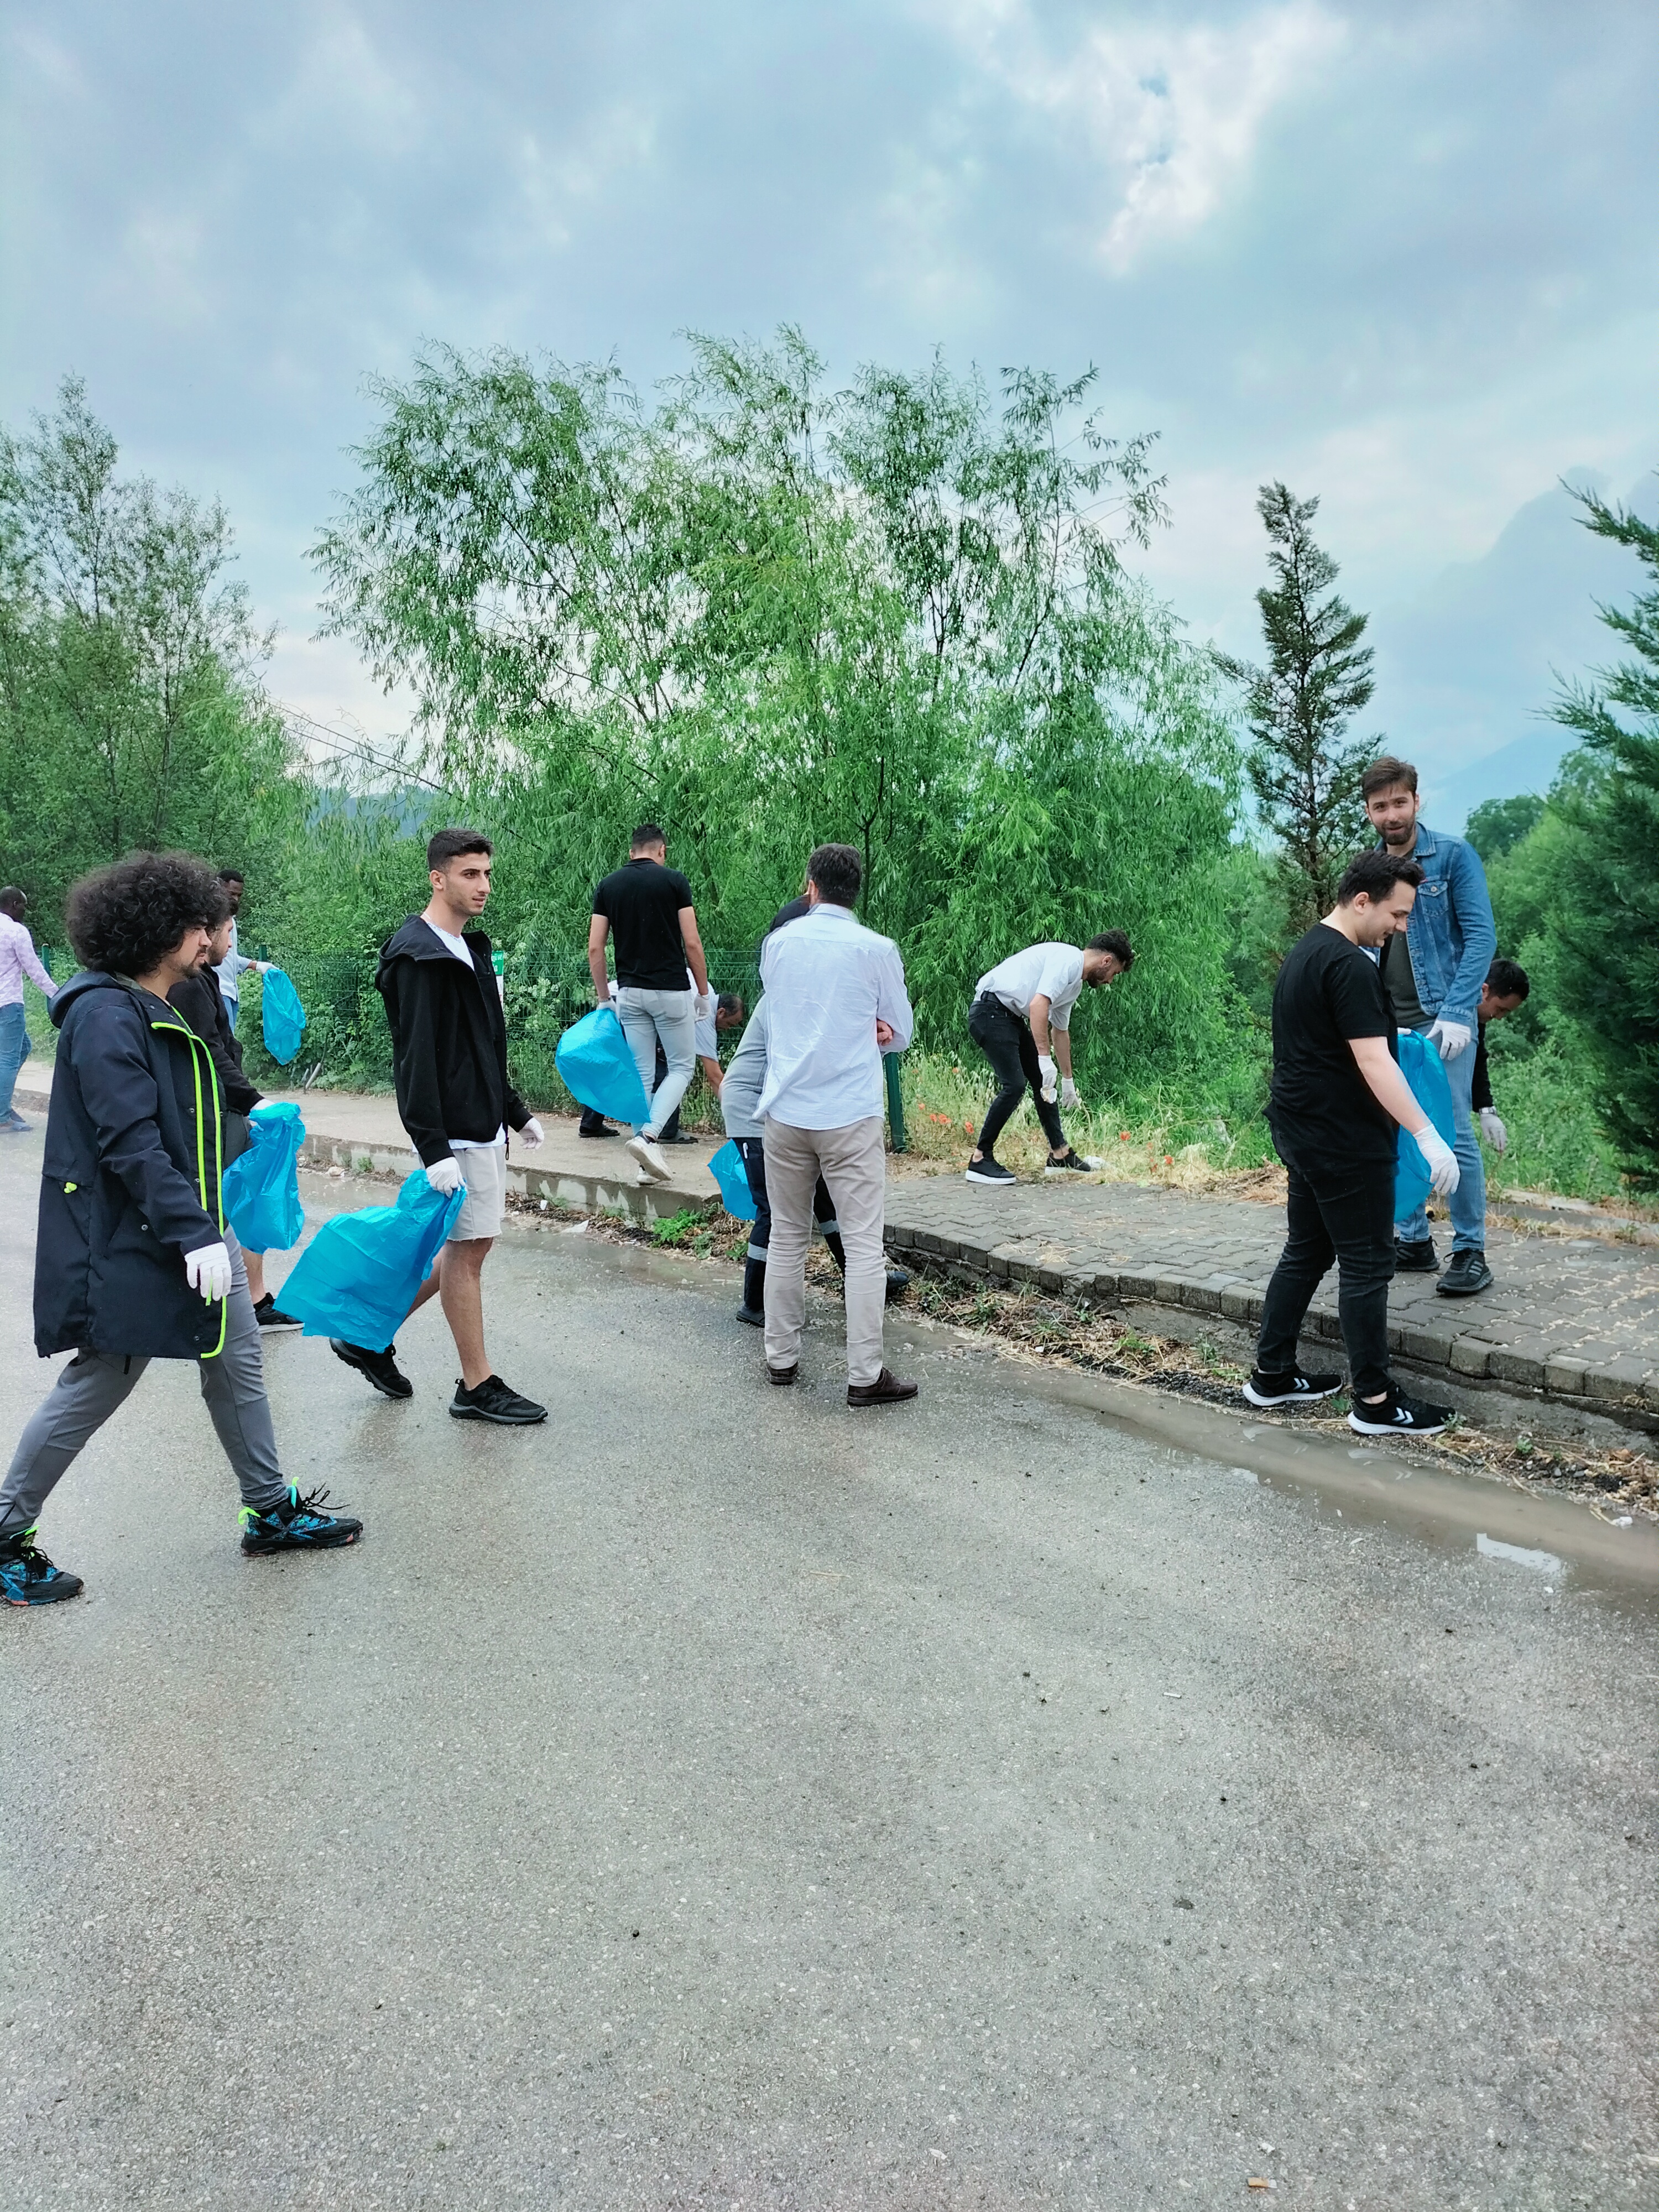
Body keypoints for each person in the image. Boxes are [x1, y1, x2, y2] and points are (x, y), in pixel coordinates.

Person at [0, 853, 362, 1605]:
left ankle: (267, 1510)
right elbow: (130, 1142)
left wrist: (240, 1139)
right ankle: (4, 1532)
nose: (212, 937)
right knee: (101, 1380)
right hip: (137, 1236)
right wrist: (192, 1236)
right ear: (158, 931)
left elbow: (186, 1118)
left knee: (236, 1358)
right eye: (201, 925)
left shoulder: (163, 1002)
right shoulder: (105, 1013)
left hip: (194, 1222)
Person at [330, 829, 548, 1425]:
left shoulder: (468, 949)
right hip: (453, 1133)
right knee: (467, 1254)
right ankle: (476, 1385)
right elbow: (415, 1060)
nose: (483, 885)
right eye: (470, 874)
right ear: (438, 877)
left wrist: (514, 1109)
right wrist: (432, 1146)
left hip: (481, 1124)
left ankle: (367, 1334)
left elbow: (482, 1045)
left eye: (486, 874)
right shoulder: (417, 956)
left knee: (466, 1247)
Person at [1245, 848, 1460, 1438]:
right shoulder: (1351, 966)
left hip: (1300, 1129)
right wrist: (1427, 1134)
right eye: (1397, 914)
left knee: (1308, 1252)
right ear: (1362, 900)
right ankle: (1375, 1401)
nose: (1401, 926)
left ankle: (1272, 1374)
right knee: (1368, 1264)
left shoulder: (1307, 952)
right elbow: (1373, 1060)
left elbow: (1338, 1042)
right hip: (1343, 1140)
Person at [756, 843, 917, 1406]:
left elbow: (785, 1011)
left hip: (786, 1111)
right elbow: (900, 1031)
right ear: (857, 890)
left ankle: (781, 1358)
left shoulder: (777, 944)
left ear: (811, 885)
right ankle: (864, 1374)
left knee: (786, 1236)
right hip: (848, 1113)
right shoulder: (877, 948)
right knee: (865, 1246)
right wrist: (875, 1031)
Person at [1363, 757, 1498, 1297]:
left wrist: (1461, 1011)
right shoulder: (1368, 867)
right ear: (1369, 811)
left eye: (1400, 802)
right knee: (1398, 1126)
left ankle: (1470, 1251)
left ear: (1417, 802)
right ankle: (1414, 1240)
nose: (1391, 814)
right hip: (1386, 1020)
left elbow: (1481, 938)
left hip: (1443, 1017)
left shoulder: (1454, 856)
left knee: (1453, 1132)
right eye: (1381, 806)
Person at [721, 994, 910, 1325]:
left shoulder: (806, 990)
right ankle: (754, 1302)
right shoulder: (784, 996)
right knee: (773, 1209)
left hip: (782, 1109)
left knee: (825, 1200)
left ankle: (859, 1281)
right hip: (753, 1108)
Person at [168, 912, 301, 1330]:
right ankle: (239, 1302)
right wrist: (253, 1101)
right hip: (209, 1112)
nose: (228, 941)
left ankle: (248, 1299)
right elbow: (209, 1051)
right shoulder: (190, 985)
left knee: (237, 1200)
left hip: (220, 1107)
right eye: (228, 931)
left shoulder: (202, 979)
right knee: (231, 1203)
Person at [588, 825, 712, 1184]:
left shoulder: (609, 886)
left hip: (629, 993)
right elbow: (692, 943)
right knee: (681, 1068)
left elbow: (596, 948)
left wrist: (603, 998)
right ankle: (648, 1137)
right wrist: (703, 994)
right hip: (671, 991)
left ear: (632, 852)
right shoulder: (675, 882)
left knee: (641, 1073)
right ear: (662, 851)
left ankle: (646, 1167)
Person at [963, 934, 1133, 1185]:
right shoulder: (1067, 960)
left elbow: (1060, 1031)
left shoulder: (1074, 983)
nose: (1110, 981)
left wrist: (1068, 1080)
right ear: (1106, 961)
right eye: (1114, 974)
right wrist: (1044, 1057)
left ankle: (1060, 1154)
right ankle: (979, 1159)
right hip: (990, 1011)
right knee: (1014, 1086)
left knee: (1044, 1083)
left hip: (1008, 1017)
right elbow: (1038, 1006)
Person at [0, 885, 56, 1133]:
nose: (25, 910)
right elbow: (33, 968)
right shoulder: (15, 931)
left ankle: (2, 1103)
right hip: (9, 1004)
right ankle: (2, 1117)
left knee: (23, 1048)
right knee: (9, 1058)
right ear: (13, 905)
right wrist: (58, 994)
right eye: (23, 905)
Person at [659, 987, 745, 1142]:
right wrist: (737, 1119)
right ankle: (666, 1131)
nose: (728, 1029)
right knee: (674, 1073)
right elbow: (715, 1077)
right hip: (637, 1012)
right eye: (730, 1024)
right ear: (721, 1012)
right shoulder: (705, 1017)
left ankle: (666, 1129)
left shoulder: (706, 990)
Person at [1471, 958, 1530, 1159]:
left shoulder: (1477, 1023)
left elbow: (1478, 1059)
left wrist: (1486, 1110)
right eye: (1501, 1009)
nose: (1499, 1017)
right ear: (1485, 990)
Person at [211, 869, 273, 1036]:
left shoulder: (231, 921)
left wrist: (255, 965)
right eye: (232, 894)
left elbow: (229, 958)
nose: (235, 899)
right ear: (219, 887)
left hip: (231, 993)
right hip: (218, 991)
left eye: (239, 895)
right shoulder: (213, 920)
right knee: (225, 1047)